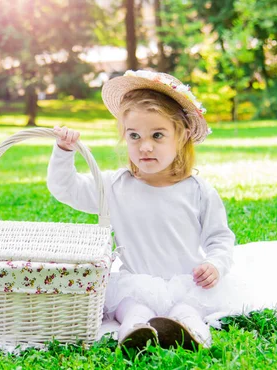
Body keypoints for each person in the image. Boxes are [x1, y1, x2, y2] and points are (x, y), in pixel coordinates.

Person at [46, 70, 234, 351]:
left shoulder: (198, 191)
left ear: (181, 136)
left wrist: (215, 265)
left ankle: (189, 331)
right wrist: (63, 151)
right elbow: (66, 189)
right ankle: (135, 330)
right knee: (129, 304)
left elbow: (220, 239)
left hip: (186, 281)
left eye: (158, 135)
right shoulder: (114, 186)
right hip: (136, 282)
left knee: (190, 307)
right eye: (134, 136)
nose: (145, 146)